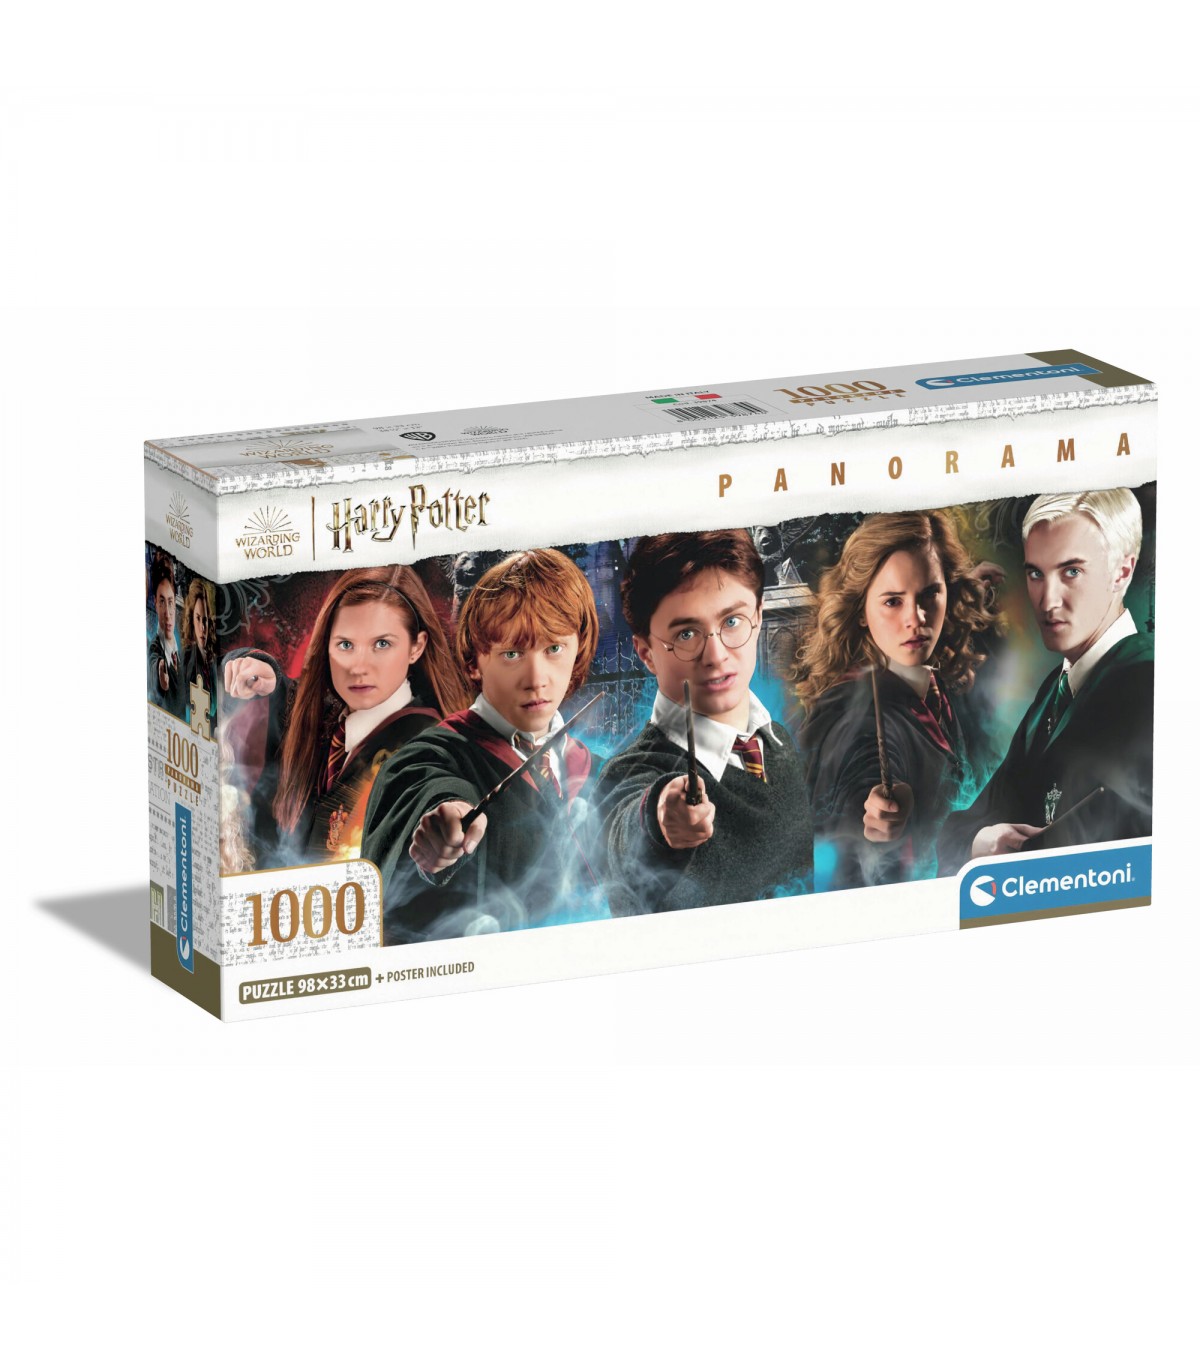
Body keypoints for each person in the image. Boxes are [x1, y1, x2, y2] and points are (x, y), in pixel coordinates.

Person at [361, 548, 601, 943]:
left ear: (578, 649)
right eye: (512, 653)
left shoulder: (599, 771)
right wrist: (443, 828)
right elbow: (426, 795)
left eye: (554, 649)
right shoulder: (423, 761)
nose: (536, 679)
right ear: (474, 660)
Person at [592, 529, 812, 916]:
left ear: (759, 617)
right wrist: (660, 821)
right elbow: (623, 840)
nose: (715, 654)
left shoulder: (777, 743)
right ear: (645, 653)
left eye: (732, 621)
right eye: (687, 634)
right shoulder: (631, 773)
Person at [938, 488, 1153, 871]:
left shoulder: (1149, 684)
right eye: (1036, 573)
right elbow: (976, 820)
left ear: (1122, 572)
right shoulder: (1055, 689)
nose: (1047, 600)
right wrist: (978, 843)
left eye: (1072, 572)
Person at [797, 511, 996, 891]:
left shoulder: (935, 684)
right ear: (861, 611)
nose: (916, 619)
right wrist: (877, 810)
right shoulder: (851, 712)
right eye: (892, 601)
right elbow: (858, 780)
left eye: (929, 594)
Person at [222, 566, 469, 867]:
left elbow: (439, 785)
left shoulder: (425, 742)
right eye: (345, 645)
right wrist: (254, 669)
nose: (358, 667)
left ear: (416, 647)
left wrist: (453, 811)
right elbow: (289, 696)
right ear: (327, 645)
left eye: (382, 644)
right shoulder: (324, 721)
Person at [147, 549, 187, 720]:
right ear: (155, 603)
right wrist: (160, 673)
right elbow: (154, 664)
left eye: (170, 602)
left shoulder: (180, 649)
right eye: (162, 602)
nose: (168, 613)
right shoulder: (155, 648)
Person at [181, 577, 218, 735]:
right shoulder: (187, 658)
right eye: (198, 619)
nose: (202, 627)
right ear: (191, 619)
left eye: (205, 620)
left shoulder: (213, 658)